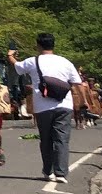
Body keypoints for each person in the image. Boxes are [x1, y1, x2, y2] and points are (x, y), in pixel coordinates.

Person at [8, 33, 83, 183]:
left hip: (43, 107)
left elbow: (17, 67)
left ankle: (48, 171)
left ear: (38, 45)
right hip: (64, 105)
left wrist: (10, 55)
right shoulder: (65, 62)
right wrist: (82, 101)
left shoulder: (32, 61)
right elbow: (77, 82)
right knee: (62, 139)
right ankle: (61, 173)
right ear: (53, 45)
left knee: (46, 139)